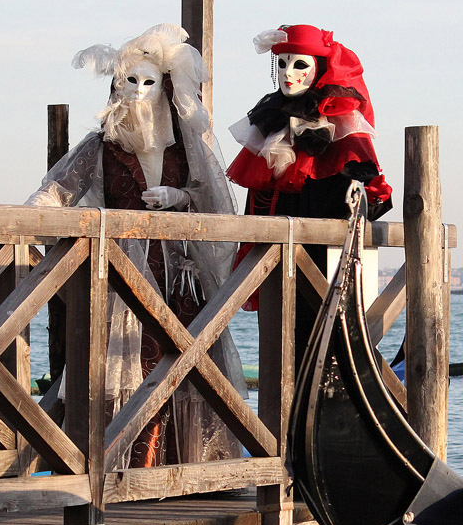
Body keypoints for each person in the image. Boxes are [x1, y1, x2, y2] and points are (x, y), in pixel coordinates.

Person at [26, 23, 245, 468]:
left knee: (189, 365)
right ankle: (126, 470)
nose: (141, 92)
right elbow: (57, 191)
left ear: (166, 87)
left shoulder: (187, 145)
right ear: (116, 83)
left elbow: (216, 200)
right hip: (124, 275)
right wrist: (25, 218)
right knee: (127, 366)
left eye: (150, 83)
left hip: (180, 278)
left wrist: (179, 197)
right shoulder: (101, 146)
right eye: (132, 81)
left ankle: (188, 469)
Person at [227, 23, 393, 368]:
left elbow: (365, 197)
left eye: (299, 64)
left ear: (319, 69)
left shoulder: (342, 125)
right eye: (283, 63)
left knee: (326, 340)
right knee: (283, 345)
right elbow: (260, 197)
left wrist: (359, 187)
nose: (289, 73)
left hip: (323, 258)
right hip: (276, 257)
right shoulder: (271, 122)